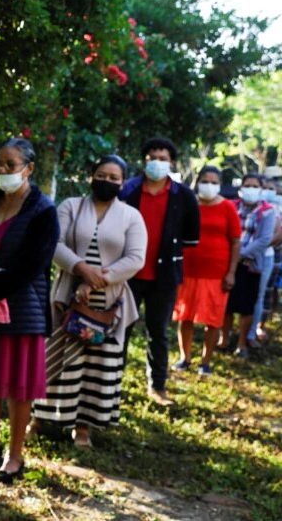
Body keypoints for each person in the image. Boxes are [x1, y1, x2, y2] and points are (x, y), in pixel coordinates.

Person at [32, 155, 146, 447]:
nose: (107, 181)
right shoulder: (70, 206)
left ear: (122, 182)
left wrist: (99, 280)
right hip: (67, 296)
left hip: (109, 302)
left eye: (114, 177)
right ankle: (40, 417)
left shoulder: (131, 216)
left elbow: (136, 258)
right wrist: (81, 270)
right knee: (54, 357)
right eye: (102, 175)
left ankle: (83, 427)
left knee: (99, 364)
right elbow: (52, 243)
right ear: (91, 176)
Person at [0, 137, 59, 481]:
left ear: (29, 169)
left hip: (22, 307)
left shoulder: (43, 211)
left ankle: (15, 453)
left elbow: (33, 262)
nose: (2, 170)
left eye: (10, 165)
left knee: (19, 385)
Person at [119, 137, 200, 406]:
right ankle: (112, 384)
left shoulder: (183, 196)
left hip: (164, 277)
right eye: (152, 158)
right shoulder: (128, 190)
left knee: (158, 332)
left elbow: (191, 236)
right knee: (120, 331)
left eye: (163, 158)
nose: (157, 163)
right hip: (126, 274)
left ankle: (158, 386)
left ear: (172, 162)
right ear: (144, 161)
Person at [171, 166, 241, 376]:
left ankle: (206, 361)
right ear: (198, 181)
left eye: (213, 181)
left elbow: (236, 242)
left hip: (216, 273)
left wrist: (231, 272)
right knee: (186, 316)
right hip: (188, 270)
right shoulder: (188, 203)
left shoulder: (228, 207)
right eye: (205, 180)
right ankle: (185, 357)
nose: (208, 185)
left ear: (219, 184)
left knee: (213, 319)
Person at [221, 174, 275, 358]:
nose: (250, 189)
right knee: (226, 303)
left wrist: (238, 254)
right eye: (247, 185)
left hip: (251, 264)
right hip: (228, 263)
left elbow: (264, 240)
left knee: (247, 305)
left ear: (260, 189)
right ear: (241, 187)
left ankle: (242, 342)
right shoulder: (231, 206)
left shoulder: (268, 211)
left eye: (254, 186)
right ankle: (224, 338)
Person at [247, 180, 282, 346]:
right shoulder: (250, 208)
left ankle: (253, 331)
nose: (267, 191)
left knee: (262, 295)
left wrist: (258, 246)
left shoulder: (273, 210)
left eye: (271, 189)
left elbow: (275, 236)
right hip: (245, 257)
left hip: (266, 257)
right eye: (265, 188)